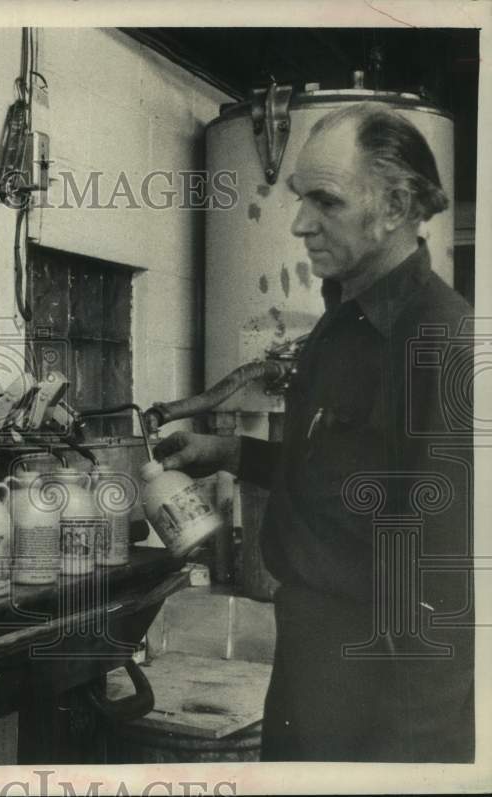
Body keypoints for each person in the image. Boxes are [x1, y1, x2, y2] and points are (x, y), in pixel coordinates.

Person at [154, 102, 474, 762]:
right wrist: (231, 451)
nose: (300, 224)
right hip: (307, 657)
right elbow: (335, 469)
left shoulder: (443, 343)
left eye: (324, 201)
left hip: (382, 686)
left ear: (394, 205)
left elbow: (450, 590)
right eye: (301, 199)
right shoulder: (340, 320)